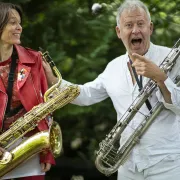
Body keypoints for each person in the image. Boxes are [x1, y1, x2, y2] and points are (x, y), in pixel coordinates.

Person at [43, 0, 180, 179]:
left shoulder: (173, 58)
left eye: (141, 24)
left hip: (167, 164)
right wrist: (54, 81)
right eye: (128, 25)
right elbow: (86, 95)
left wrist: (161, 78)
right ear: (119, 32)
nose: (135, 30)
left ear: (150, 28)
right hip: (127, 166)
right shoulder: (113, 67)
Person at [0, 2, 55, 180]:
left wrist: (47, 150)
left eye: (19, 22)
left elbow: (46, 108)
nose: (19, 28)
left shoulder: (35, 59)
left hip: (31, 147)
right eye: (12, 23)